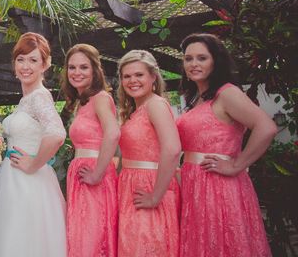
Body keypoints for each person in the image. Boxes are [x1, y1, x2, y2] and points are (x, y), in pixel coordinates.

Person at [177, 33, 275, 257]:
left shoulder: (227, 93)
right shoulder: (195, 98)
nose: (193, 64)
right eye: (188, 58)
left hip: (219, 185)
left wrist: (236, 165)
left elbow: (266, 127)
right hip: (194, 184)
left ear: (216, 61)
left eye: (202, 58)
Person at [0, 32, 67, 257]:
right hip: (13, 182)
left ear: (45, 64)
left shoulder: (39, 96)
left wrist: (34, 164)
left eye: (33, 60)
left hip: (28, 182)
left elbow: (57, 134)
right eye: (21, 59)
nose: (25, 66)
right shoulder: (25, 100)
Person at [117, 50, 180, 257]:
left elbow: (172, 149)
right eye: (127, 76)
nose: (132, 80)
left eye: (139, 75)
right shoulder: (135, 110)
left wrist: (155, 196)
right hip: (129, 186)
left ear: (153, 77)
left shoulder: (156, 104)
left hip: (149, 185)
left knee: (147, 248)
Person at [62, 44, 119, 257]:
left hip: (95, 175)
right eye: (72, 67)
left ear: (95, 70)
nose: (77, 73)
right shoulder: (80, 102)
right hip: (81, 175)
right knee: (81, 236)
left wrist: (97, 173)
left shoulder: (101, 98)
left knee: (93, 238)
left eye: (84, 67)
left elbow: (113, 133)